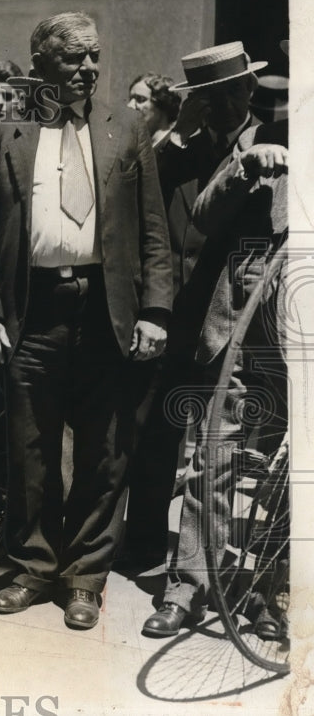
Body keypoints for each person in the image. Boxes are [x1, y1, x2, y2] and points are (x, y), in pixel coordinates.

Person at [0, 11, 172, 629]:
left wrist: (156, 309)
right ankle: (32, 566)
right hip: (32, 315)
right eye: (74, 58)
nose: (89, 69)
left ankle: (85, 577)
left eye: (94, 57)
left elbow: (152, 230)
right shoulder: (4, 136)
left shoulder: (125, 130)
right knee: (30, 450)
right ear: (41, 66)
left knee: (105, 452)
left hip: (106, 312)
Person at [143, 71, 288, 640]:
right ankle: (189, 586)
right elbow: (203, 212)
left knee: (289, 471)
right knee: (214, 457)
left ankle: (272, 593)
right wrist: (246, 166)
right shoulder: (263, 141)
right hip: (241, 321)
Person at [122, 43, 265, 570]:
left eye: (231, 91)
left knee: (214, 451)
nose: (222, 105)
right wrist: (179, 131)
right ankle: (140, 547)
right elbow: (136, 190)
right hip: (170, 312)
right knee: (153, 432)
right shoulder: (178, 147)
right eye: (208, 96)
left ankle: (205, 564)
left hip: (228, 319)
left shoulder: (265, 145)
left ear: (249, 89)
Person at [126, 73, 181, 147]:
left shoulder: (177, 148)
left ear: (162, 105)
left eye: (140, 99)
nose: (129, 105)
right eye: (130, 99)